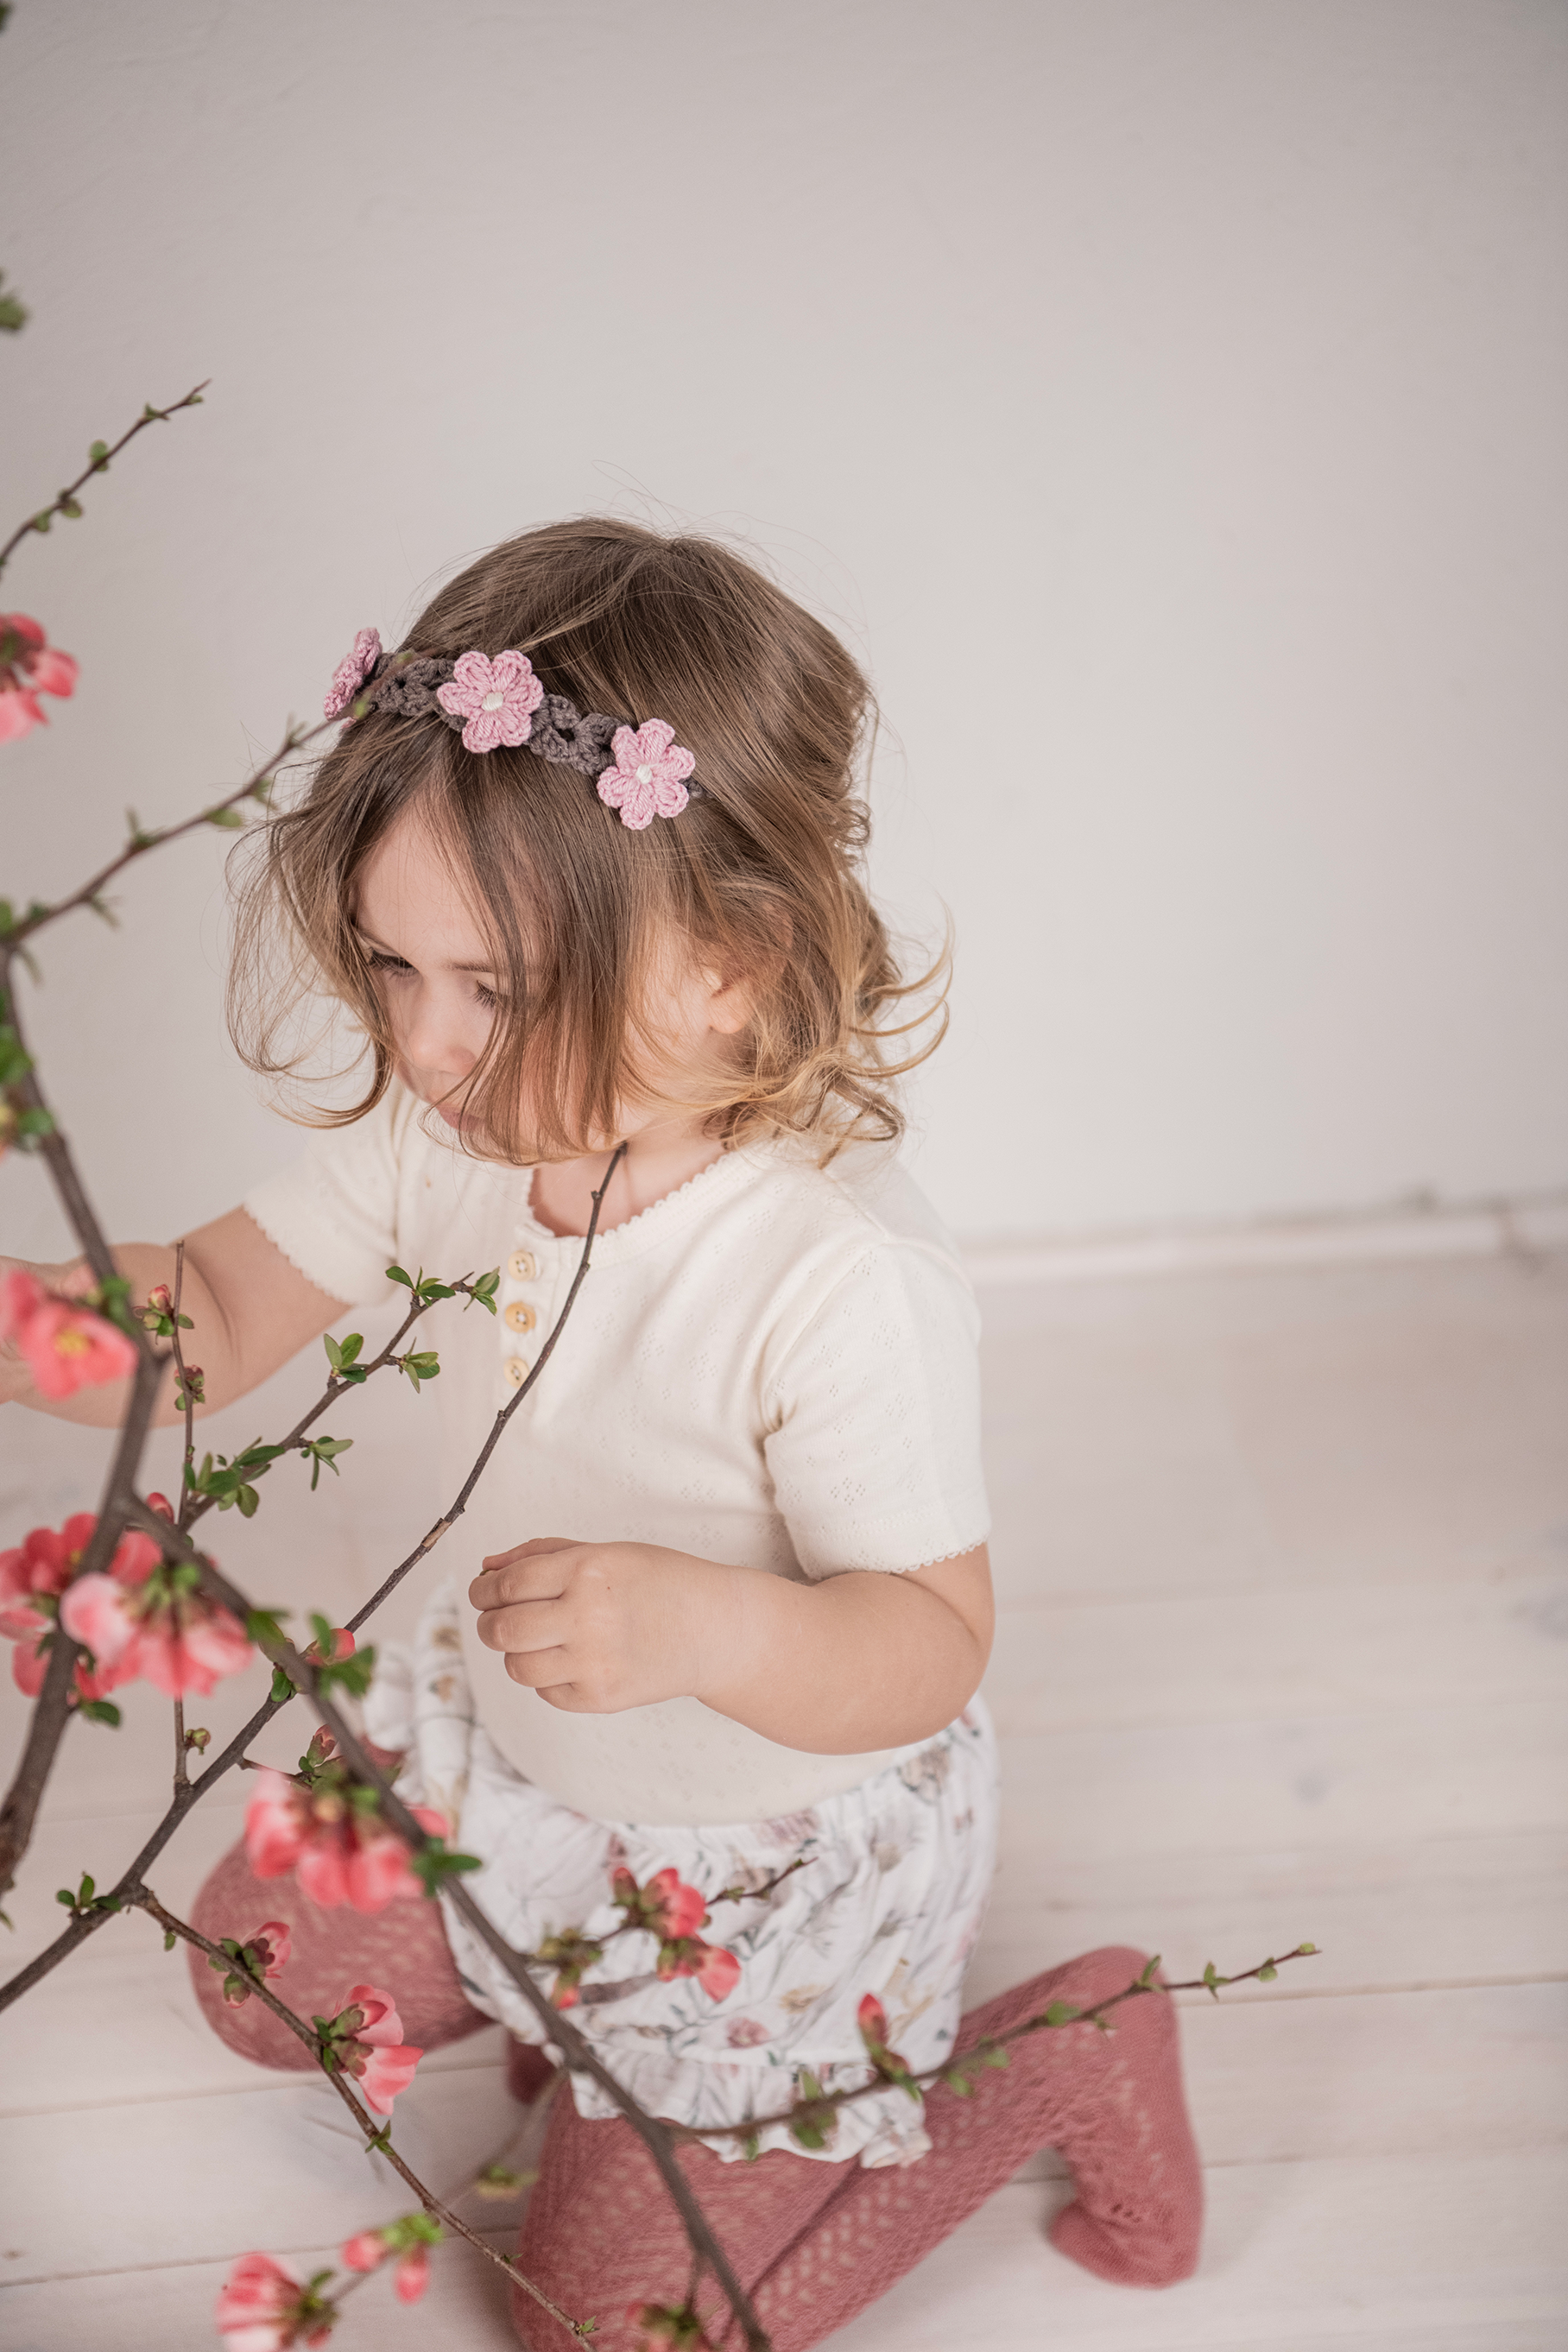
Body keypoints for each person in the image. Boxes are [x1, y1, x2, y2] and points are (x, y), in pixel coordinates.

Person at [2, 521, 1201, 2346]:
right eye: (393, 971)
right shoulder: (474, 1130)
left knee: (597, 2333)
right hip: (518, 1758)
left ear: (725, 958)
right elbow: (218, 1315)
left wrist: (712, 1626)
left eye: (486, 987)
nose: (422, 1045)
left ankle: (1057, 2059)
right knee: (257, 1981)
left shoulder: (829, 1274)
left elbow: (927, 1642)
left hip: (752, 1852)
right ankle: (567, 2015)